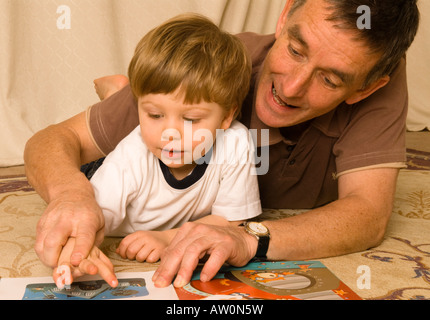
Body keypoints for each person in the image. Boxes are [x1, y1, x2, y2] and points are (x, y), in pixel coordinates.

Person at [24, 0, 420, 288]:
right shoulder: (199, 75)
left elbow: (368, 213)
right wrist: (72, 196)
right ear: (283, 17)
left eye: (330, 80)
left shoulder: (372, 69)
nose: (292, 87)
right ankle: (120, 93)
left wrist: (248, 238)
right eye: (295, 50)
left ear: (367, 87)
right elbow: (53, 140)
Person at [51, 13, 262, 287]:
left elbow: (233, 222)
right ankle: (119, 95)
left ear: (226, 117)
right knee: (95, 166)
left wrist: (166, 238)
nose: (169, 134)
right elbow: (86, 217)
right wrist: (79, 252)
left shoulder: (236, 141)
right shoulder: (132, 154)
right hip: (100, 168)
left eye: (191, 119)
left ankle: (122, 93)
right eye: (154, 114)